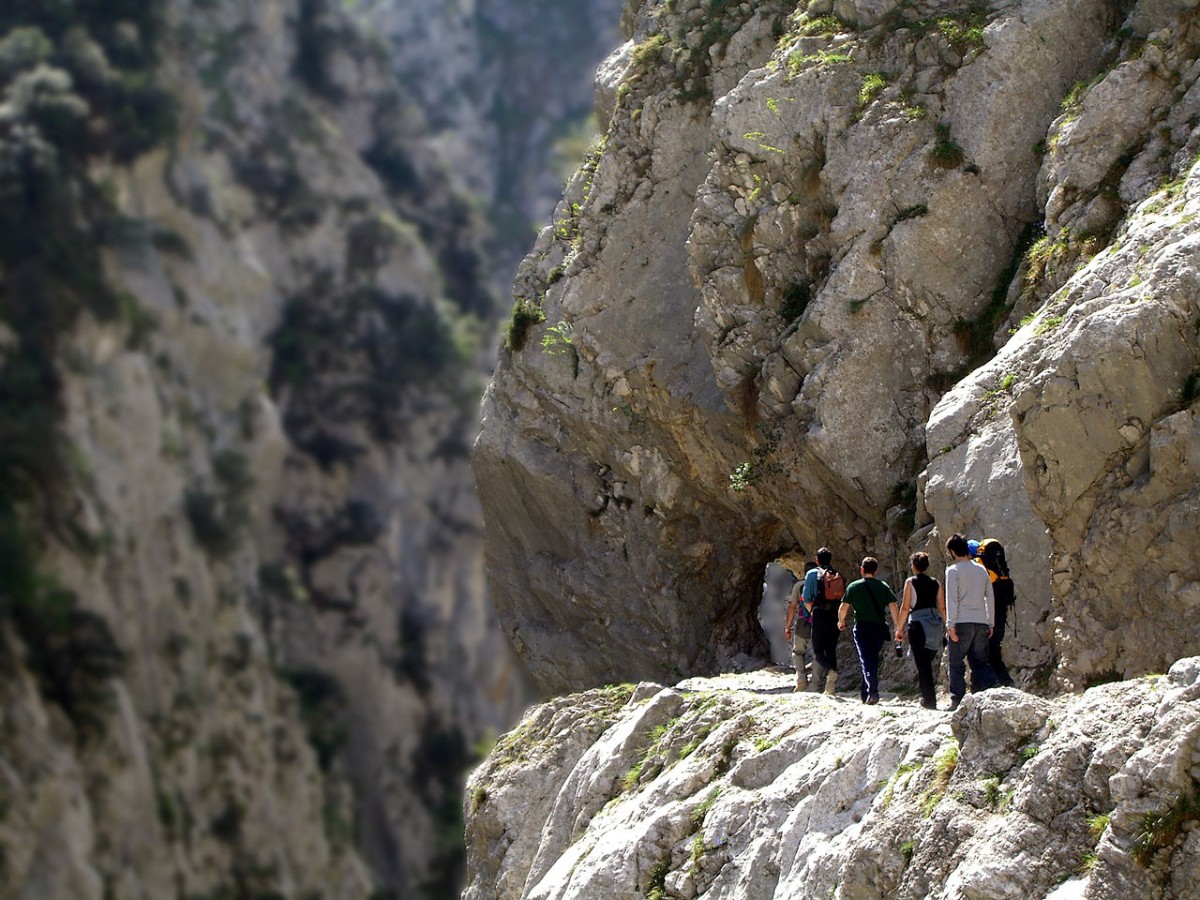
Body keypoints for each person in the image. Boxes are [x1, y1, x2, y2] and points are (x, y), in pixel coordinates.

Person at [944, 533, 997, 710]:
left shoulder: (952, 571)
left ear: (952, 551)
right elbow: (989, 597)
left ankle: (957, 701)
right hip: (981, 622)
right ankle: (983, 699)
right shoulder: (981, 570)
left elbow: (952, 600)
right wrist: (990, 622)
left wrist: (950, 625)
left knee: (957, 664)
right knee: (980, 663)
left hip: (961, 622)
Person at [838, 557, 901, 704]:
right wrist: (898, 625)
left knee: (866, 660)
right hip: (879, 628)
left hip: (862, 627)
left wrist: (841, 621)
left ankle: (873, 692)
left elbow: (844, 607)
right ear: (876, 571)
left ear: (862, 569)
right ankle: (865, 693)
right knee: (871, 659)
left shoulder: (854, 587)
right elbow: (893, 606)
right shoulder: (883, 586)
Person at [895, 552, 946, 710]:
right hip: (935, 626)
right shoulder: (936, 583)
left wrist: (899, 629)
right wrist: (948, 625)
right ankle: (928, 697)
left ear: (913, 566)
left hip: (918, 625)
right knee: (927, 663)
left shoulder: (910, 582)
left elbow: (905, 607)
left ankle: (929, 700)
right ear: (927, 565)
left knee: (922, 665)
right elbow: (942, 607)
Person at [973, 538, 1015, 687]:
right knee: (995, 650)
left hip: (987, 617)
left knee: (984, 653)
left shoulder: (979, 568)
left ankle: (993, 685)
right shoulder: (999, 568)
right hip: (1001, 612)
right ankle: (1005, 681)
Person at [804, 547, 843, 695]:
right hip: (835, 614)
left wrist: (813, 612)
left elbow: (807, 598)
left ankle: (830, 670)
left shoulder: (812, 574)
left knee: (818, 649)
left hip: (820, 613)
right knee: (831, 649)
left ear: (817, 560)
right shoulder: (836, 574)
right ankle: (830, 687)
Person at [784, 562, 816, 692]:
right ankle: (817, 680)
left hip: (804, 621)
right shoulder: (822, 583)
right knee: (819, 651)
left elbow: (792, 607)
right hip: (820, 621)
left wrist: (788, 627)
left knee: (798, 651)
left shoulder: (799, 585)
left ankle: (801, 680)